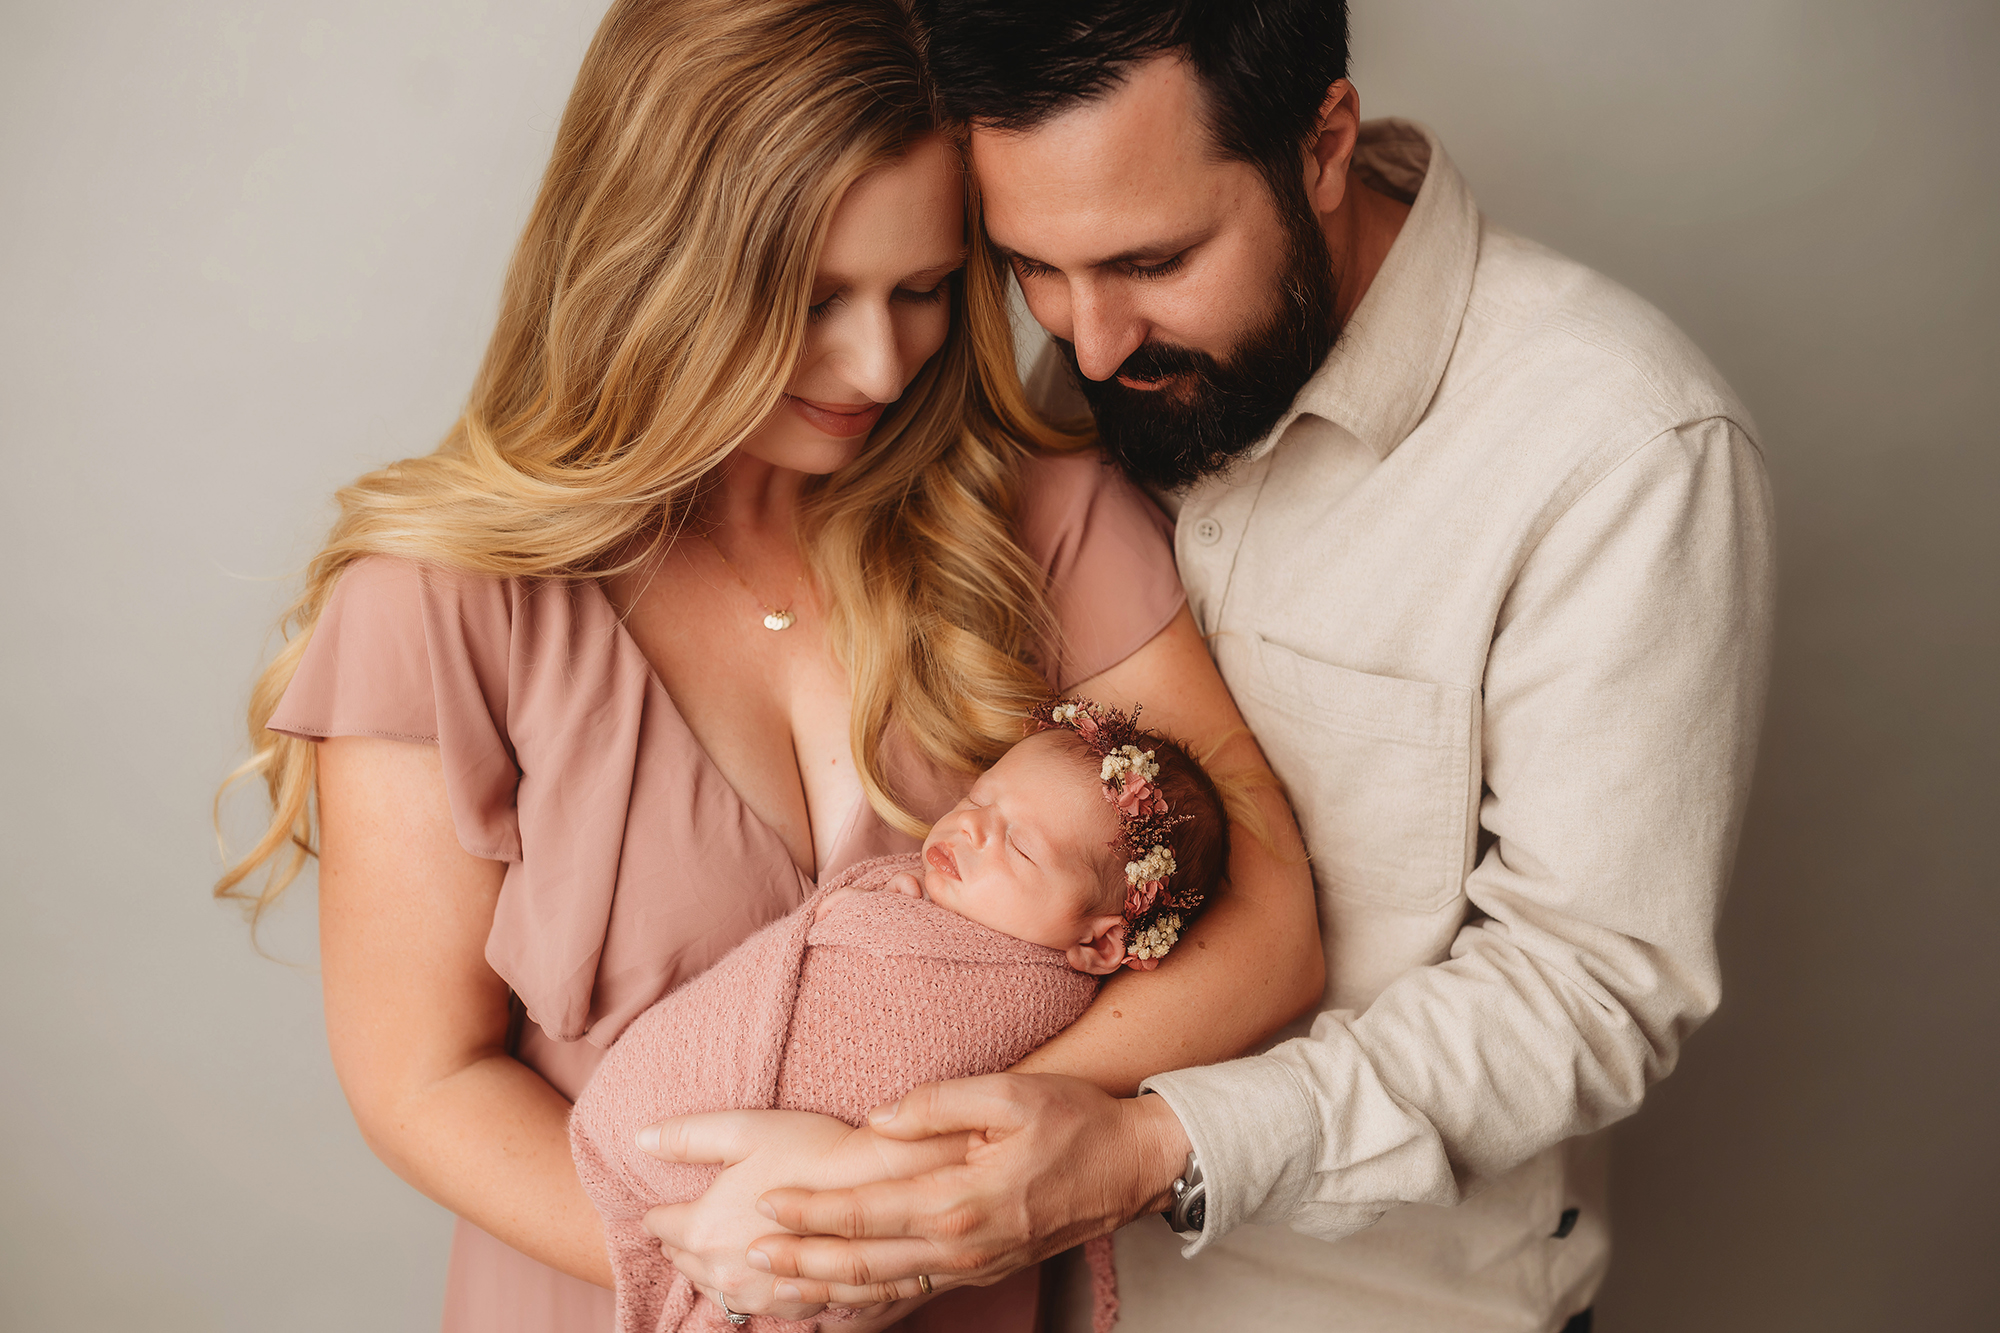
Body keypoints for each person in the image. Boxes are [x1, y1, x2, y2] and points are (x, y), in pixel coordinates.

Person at [642, 3, 1777, 1331]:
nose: (1091, 342)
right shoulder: (1063, 387)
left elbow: (1588, 991)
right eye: (1032, 270)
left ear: (1324, 144)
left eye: (1153, 260)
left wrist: (1151, 1145)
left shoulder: (1616, 449)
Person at [213, 3, 1318, 1331]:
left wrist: (960, 1186)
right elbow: (421, 1080)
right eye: (807, 304)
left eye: (922, 290)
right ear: (653, 267)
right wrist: (738, 1262)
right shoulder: (437, 608)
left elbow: (1271, 925)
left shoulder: (1043, 517)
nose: (877, 364)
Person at [571, 701, 1233, 1332]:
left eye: (1021, 847)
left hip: (788, 1218)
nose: (971, 827)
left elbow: (926, 1102)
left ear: (1098, 943)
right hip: (635, 1159)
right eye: (978, 798)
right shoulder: (922, 893)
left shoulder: (1035, 999)